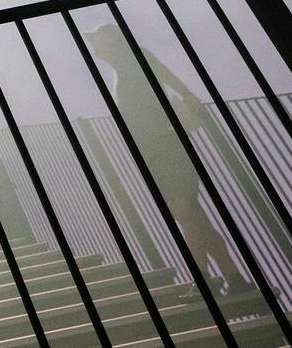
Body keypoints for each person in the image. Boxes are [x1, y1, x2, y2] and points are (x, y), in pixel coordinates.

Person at [85, 24, 254, 299]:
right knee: (195, 218)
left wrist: (187, 96)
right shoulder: (123, 67)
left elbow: (166, 76)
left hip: (165, 148)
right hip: (161, 149)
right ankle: (234, 279)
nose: (93, 44)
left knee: (187, 216)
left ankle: (204, 283)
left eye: (96, 38)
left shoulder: (133, 57)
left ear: (113, 39)